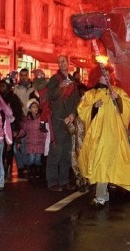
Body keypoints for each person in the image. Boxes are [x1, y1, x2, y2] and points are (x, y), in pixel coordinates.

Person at [77, 70, 130, 205]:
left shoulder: (117, 91)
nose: (105, 77)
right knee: (101, 163)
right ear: (97, 78)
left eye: (107, 75)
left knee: (107, 163)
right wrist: (94, 107)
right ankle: (101, 194)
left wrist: (117, 98)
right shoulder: (90, 94)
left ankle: (103, 194)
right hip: (98, 136)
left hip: (114, 135)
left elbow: (128, 105)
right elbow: (82, 111)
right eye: (102, 75)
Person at [46, 55, 81, 192]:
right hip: (58, 120)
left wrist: (73, 114)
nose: (62, 64)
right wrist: (60, 87)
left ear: (68, 63)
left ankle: (64, 180)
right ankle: (53, 182)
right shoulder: (55, 79)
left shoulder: (72, 80)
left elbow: (77, 100)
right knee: (56, 151)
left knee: (67, 152)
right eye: (59, 62)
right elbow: (51, 96)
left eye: (64, 61)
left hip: (69, 120)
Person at [0, 77, 24, 179]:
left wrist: (16, 128)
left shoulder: (13, 98)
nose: (2, 88)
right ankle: (2, 166)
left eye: (3, 86)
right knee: (1, 148)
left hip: (11, 126)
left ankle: (7, 166)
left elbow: (18, 113)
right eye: (1, 86)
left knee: (9, 148)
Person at [21, 99, 49, 183]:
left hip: (39, 143)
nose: (35, 108)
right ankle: (30, 172)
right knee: (32, 158)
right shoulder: (27, 120)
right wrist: (18, 135)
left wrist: (46, 139)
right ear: (29, 109)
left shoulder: (41, 118)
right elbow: (24, 130)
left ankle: (37, 172)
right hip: (30, 143)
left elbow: (44, 130)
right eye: (33, 107)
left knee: (38, 159)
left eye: (36, 106)